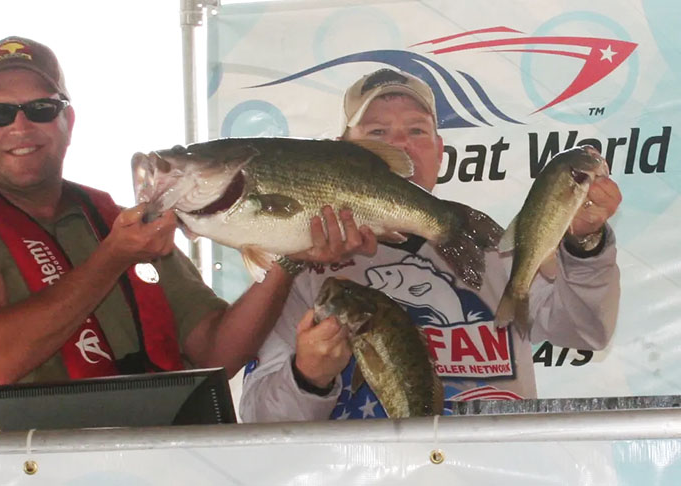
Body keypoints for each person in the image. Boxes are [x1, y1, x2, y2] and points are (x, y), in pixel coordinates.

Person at [0, 36, 375, 432]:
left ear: (67, 121)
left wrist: (289, 256)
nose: (21, 124)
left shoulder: (118, 221)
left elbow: (216, 352)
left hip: (152, 451)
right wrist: (115, 256)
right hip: (20, 463)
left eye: (41, 108)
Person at [239, 68, 622, 421]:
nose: (400, 146)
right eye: (376, 134)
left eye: (417, 131)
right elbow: (260, 422)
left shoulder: (486, 241)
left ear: (440, 152)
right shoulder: (302, 264)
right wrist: (308, 376)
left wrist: (585, 244)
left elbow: (585, 331)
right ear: (343, 153)